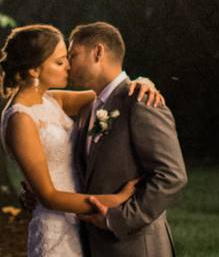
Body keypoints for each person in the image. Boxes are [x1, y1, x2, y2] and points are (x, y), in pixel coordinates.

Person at [0, 24, 166, 257]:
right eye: (59, 62)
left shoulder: (51, 100)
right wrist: (114, 201)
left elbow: (112, 95)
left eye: (67, 58)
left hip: (81, 225)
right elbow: (48, 196)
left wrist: (144, 83)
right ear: (35, 70)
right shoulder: (20, 119)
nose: (69, 65)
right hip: (55, 227)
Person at [67, 21, 187, 256]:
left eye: (73, 55)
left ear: (98, 52)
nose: (68, 65)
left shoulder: (141, 101)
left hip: (135, 246)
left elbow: (172, 176)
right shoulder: (88, 108)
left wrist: (117, 219)